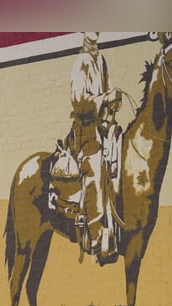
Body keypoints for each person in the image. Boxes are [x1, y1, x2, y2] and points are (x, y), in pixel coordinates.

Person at [64, 32, 122, 258]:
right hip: (86, 130)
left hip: (102, 127)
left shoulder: (101, 59)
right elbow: (78, 100)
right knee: (95, 169)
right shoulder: (81, 61)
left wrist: (112, 101)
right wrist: (103, 100)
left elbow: (106, 92)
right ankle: (97, 237)